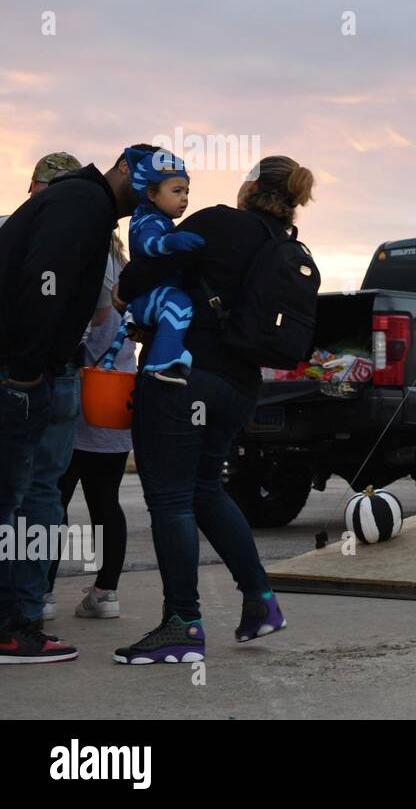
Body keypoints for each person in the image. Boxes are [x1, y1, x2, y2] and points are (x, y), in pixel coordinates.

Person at [112, 155, 314, 663]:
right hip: (239, 388)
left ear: (250, 188)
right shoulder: (284, 245)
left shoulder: (220, 221)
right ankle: (261, 601)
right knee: (204, 491)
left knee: (171, 500)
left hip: (183, 379)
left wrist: (130, 298)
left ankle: (182, 624)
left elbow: (141, 274)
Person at [0, 149, 138, 663]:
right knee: (42, 494)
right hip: (62, 373)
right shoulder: (89, 226)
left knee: (38, 494)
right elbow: (59, 291)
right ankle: (24, 615)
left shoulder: (47, 219)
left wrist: (30, 365)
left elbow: (49, 288)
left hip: (58, 372)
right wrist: (31, 365)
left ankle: (26, 614)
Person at [45, 232, 136, 621]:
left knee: (51, 498)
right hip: (117, 392)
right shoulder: (126, 269)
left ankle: (42, 592)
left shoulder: (78, 261)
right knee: (106, 500)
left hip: (78, 387)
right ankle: (106, 592)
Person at [102, 147, 204, 384]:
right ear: (151, 193)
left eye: (187, 191)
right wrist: (172, 241)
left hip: (147, 296)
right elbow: (147, 245)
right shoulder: (150, 220)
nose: (185, 198)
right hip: (149, 298)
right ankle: (164, 359)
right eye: (177, 191)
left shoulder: (157, 219)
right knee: (179, 303)